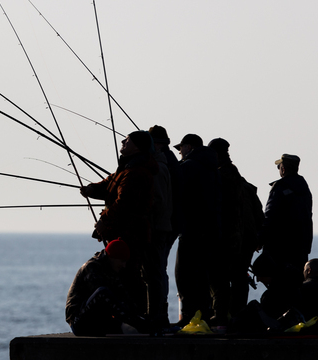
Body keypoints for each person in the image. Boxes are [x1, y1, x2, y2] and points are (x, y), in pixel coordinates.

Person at [80, 130, 158, 317]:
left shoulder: (136, 172)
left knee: (129, 276)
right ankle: (129, 316)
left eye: (127, 140)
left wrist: (103, 221)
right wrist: (91, 189)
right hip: (124, 232)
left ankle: (135, 316)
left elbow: (124, 203)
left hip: (130, 233)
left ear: (138, 147)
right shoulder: (127, 169)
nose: (123, 142)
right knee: (124, 275)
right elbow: (109, 185)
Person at [208, 138, 264, 323]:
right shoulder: (241, 181)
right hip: (245, 239)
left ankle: (222, 316)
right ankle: (236, 315)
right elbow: (257, 213)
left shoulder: (221, 177)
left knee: (221, 277)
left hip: (232, 239)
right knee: (238, 279)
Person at [173, 134, 221, 325]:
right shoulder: (213, 169)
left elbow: (175, 191)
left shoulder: (189, 167)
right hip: (210, 231)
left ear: (189, 147)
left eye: (181, 148)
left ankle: (189, 318)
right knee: (202, 276)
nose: (179, 152)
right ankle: (203, 317)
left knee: (183, 275)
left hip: (191, 230)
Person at [66, 239, 151, 335]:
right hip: (79, 322)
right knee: (103, 292)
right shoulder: (92, 268)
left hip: (98, 320)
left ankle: (143, 324)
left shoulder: (112, 269)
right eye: (122, 261)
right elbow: (103, 299)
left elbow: (122, 295)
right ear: (112, 257)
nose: (124, 265)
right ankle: (139, 324)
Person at [261, 154, 313, 285]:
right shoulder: (304, 189)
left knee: (279, 287)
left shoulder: (279, 188)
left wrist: (260, 239)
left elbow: (269, 217)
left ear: (283, 169)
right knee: (295, 285)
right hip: (301, 248)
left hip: (279, 248)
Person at [146, 125, 175, 327]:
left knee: (155, 272)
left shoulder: (160, 166)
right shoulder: (171, 161)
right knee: (158, 271)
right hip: (168, 225)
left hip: (158, 227)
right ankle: (158, 315)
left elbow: (157, 201)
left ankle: (156, 316)